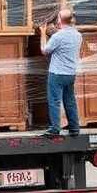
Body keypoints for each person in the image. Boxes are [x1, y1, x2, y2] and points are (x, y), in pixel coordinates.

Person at [38, 8, 82, 137]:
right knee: (70, 100)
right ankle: (74, 128)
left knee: (54, 101)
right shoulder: (77, 35)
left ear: (59, 20)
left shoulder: (58, 36)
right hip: (70, 74)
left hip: (57, 74)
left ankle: (54, 129)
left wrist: (42, 33)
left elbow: (44, 51)